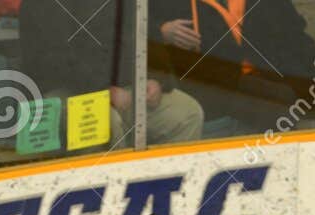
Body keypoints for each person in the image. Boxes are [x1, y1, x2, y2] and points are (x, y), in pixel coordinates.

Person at [19, 0, 203, 149]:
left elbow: (142, 35)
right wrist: (104, 90)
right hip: (55, 96)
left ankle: (161, 189)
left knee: (187, 113)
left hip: (118, 89)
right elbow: (54, 59)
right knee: (105, 122)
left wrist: (156, 79)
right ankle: (108, 192)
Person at [151, 0, 315, 135]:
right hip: (214, 84)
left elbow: (295, 34)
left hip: (273, 70)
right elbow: (133, 26)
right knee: (277, 101)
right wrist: (162, 30)